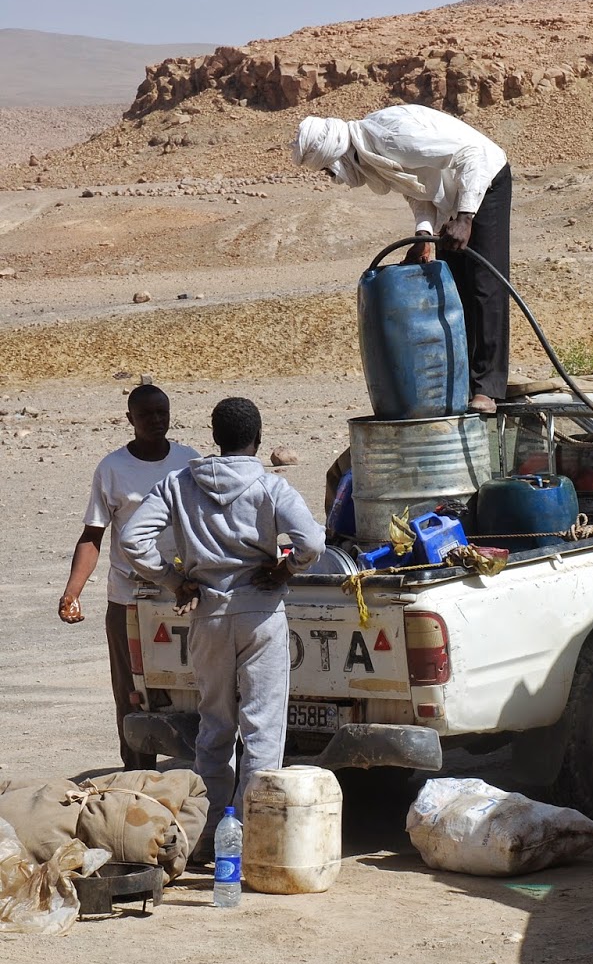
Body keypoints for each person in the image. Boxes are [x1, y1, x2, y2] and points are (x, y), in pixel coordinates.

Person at [122, 397, 325, 860]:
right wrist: (285, 571)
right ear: (257, 438)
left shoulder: (179, 483)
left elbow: (133, 540)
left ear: (215, 436)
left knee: (215, 725)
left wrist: (175, 579)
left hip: (207, 614)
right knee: (262, 728)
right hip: (260, 615)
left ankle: (211, 832)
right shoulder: (271, 486)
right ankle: (253, 835)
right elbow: (311, 541)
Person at [290, 104, 512, 414]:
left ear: (337, 154)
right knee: (453, 289)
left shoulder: (391, 137)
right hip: (453, 199)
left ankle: (487, 387)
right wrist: (423, 234)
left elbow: (472, 154)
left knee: (484, 286)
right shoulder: (371, 154)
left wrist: (465, 217)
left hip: (483, 183)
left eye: (329, 170)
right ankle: (463, 385)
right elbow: (416, 189)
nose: (334, 179)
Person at [58, 384, 201, 770]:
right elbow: (93, 535)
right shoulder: (112, 469)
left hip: (185, 593)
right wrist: (72, 592)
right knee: (132, 690)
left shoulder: (190, 461)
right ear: (130, 420)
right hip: (129, 598)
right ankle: (137, 772)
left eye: (162, 413)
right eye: (147, 415)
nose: (156, 421)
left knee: (198, 683)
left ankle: (206, 768)